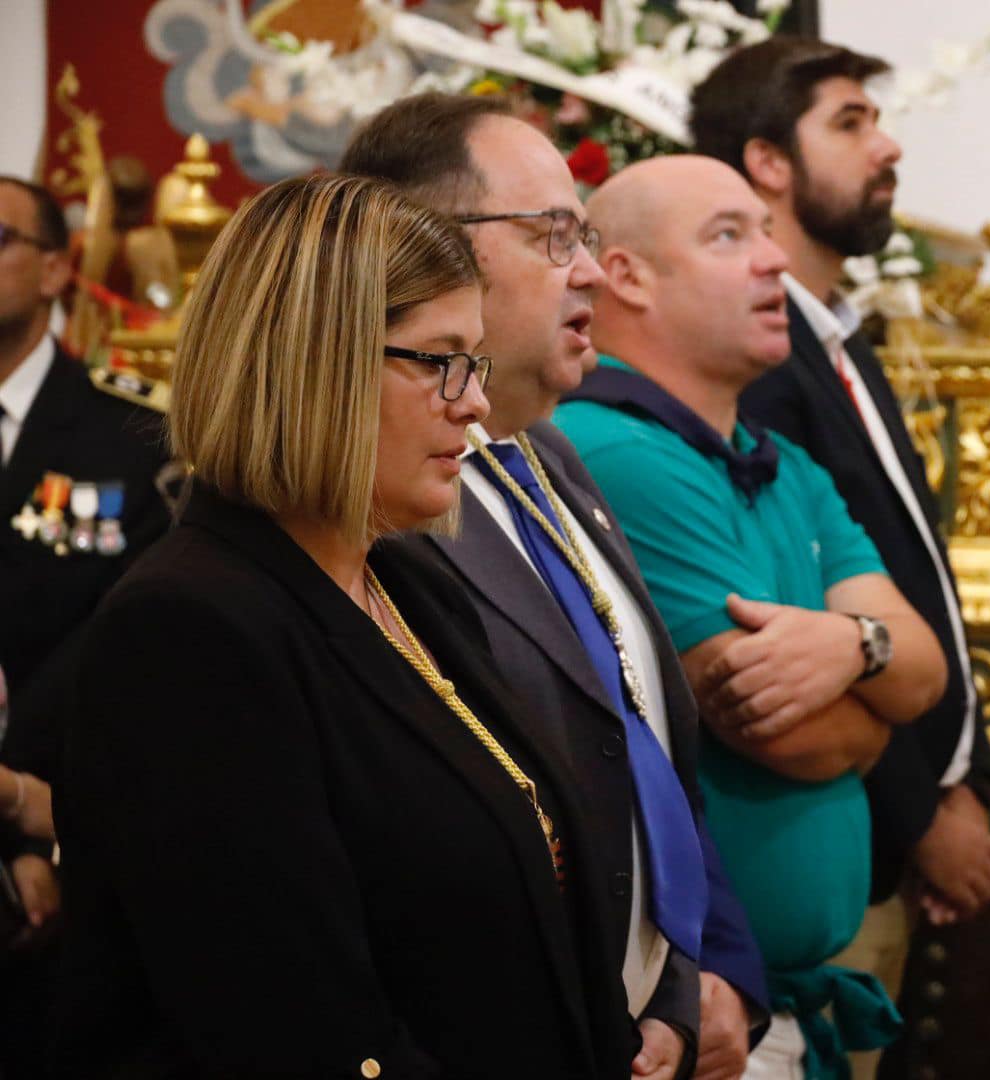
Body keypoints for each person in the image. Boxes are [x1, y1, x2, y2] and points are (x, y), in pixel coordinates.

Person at [54, 174, 636, 1079]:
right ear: (312, 364)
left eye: (475, 362)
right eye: (439, 361)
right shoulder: (189, 630)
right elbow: (295, 1029)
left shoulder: (408, 581)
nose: (474, 403)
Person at [339, 93, 770, 1080]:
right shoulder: (378, 506)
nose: (590, 273)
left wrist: (689, 983)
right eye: (554, 237)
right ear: (429, 244)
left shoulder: (549, 455)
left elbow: (645, 749)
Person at [556, 154, 948, 1080]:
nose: (773, 259)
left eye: (767, 232)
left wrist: (854, 644)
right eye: (728, 236)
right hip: (700, 1012)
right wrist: (875, 711)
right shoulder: (617, 450)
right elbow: (783, 731)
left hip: (784, 1001)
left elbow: (924, 671)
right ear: (627, 277)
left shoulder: (780, 462)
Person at [690, 37, 990, 1062]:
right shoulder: (756, 357)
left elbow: (915, 586)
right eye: (850, 122)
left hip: (889, 831)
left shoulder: (834, 336)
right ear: (768, 162)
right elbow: (790, 624)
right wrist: (923, 813)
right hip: (835, 842)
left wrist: (964, 780)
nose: (888, 146)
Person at [0, 175, 170, 1079]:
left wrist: (35, 831)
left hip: (74, 834)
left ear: (58, 269)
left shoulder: (131, 432)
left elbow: (120, 644)